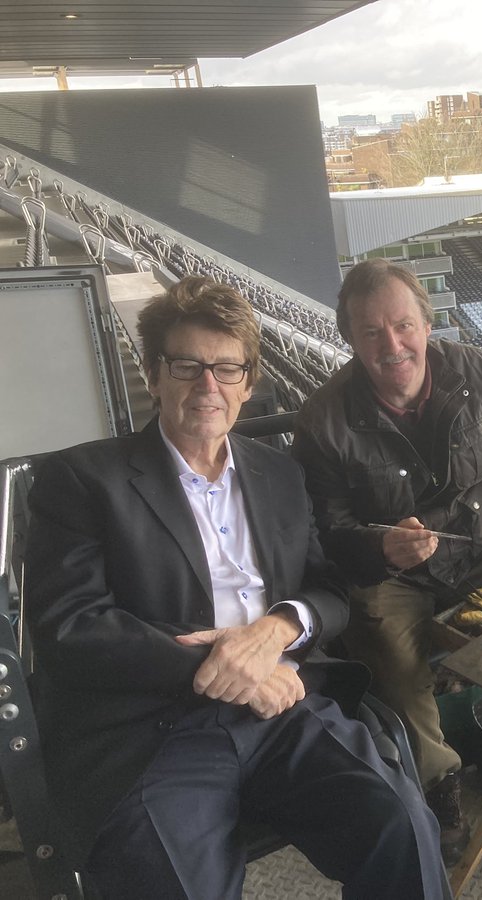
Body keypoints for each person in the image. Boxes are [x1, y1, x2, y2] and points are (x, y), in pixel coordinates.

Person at [24, 277, 448, 900]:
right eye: (188, 366)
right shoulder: (80, 479)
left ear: (249, 383)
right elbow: (70, 626)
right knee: (177, 885)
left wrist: (277, 628)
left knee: (404, 826)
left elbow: (327, 589)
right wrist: (232, 663)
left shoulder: (279, 473)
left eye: (226, 369)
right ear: (153, 373)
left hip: (285, 706)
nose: (208, 387)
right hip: (153, 727)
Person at [292, 259, 482, 863]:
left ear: (428, 325)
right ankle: (439, 779)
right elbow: (326, 534)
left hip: (477, 545)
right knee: (394, 662)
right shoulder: (322, 420)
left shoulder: (475, 370)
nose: (392, 345)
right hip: (389, 575)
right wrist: (380, 545)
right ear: (350, 340)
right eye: (371, 333)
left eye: (403, 326)